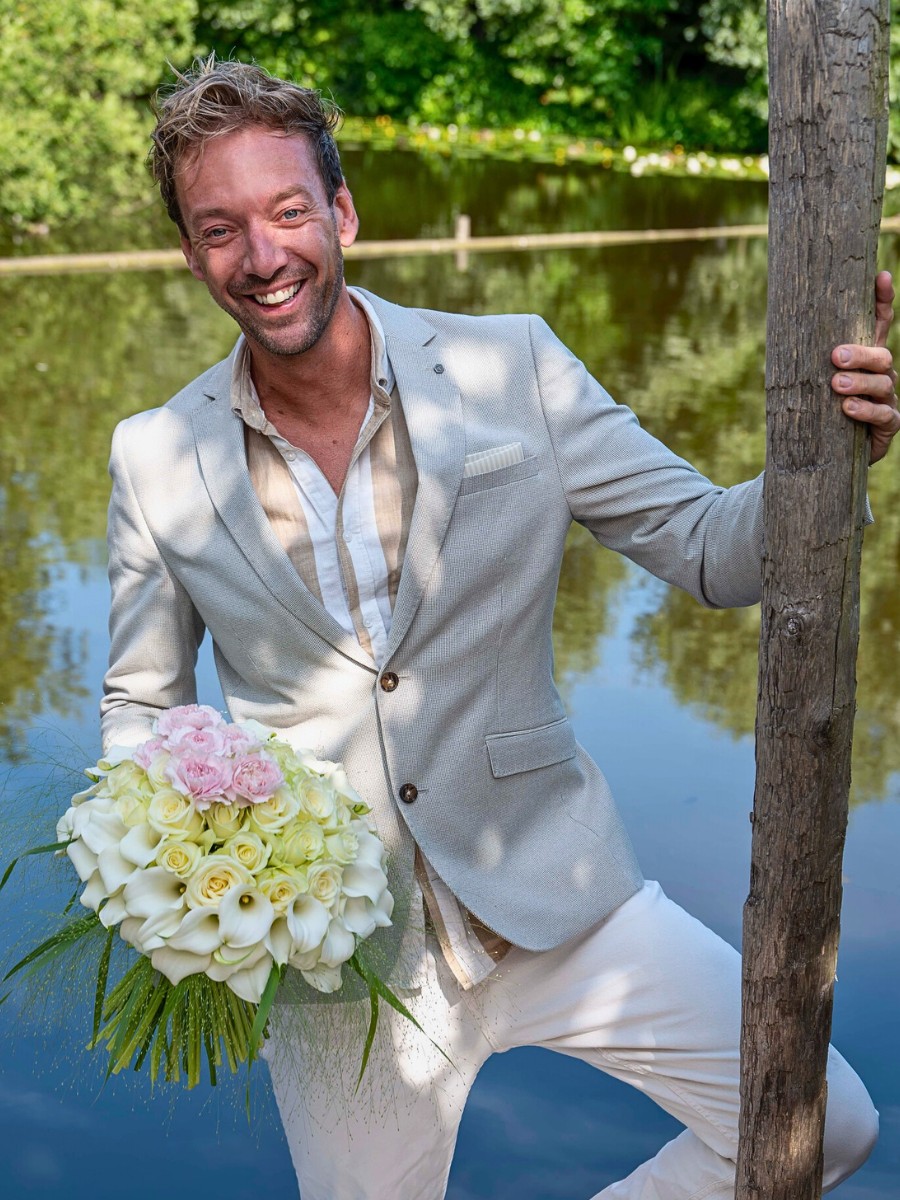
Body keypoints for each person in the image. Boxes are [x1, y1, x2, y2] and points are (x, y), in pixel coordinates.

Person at [101, 57, 899, 1200]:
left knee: (825, 1127)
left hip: (558, 889)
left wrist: (827, 457)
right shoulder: (151, 452)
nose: (262, 255)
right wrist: (170, 859)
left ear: (342, 212)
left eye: (287, 212)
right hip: (338, 970)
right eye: (218, 228)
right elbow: (141, 704)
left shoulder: (511, 362)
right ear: (190, 252)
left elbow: (714, 549)